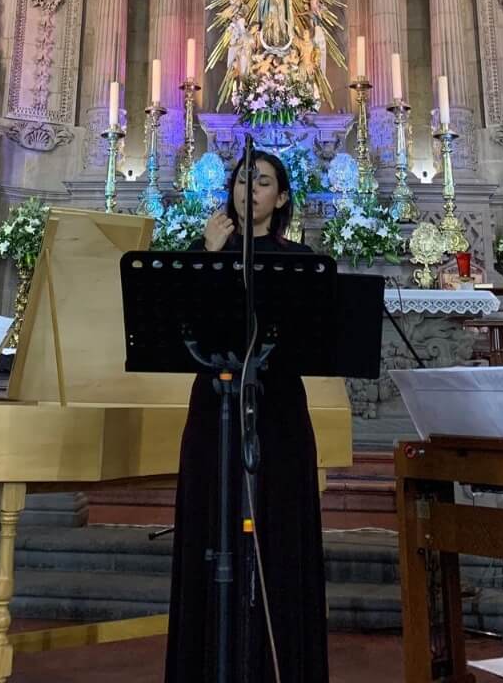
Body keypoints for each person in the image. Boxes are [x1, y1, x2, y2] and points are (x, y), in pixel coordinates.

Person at [164, 152, 328, 683]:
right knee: (212, 524)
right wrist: (209, 256)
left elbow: (309, 341)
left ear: (280, 198)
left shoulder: (297, 258)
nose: (248, 188)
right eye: (241, 179)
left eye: (261, 181)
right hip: (215, 403)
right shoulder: (203, 250)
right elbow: (179, 326)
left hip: (277, 409)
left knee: (276, 529)